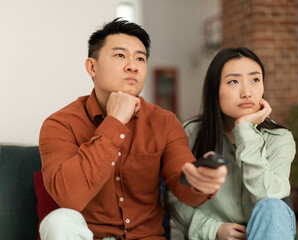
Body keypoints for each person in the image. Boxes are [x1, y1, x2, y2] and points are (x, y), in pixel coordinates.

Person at [38, 18, 227, 240]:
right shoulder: (60, 124)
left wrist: (200, 183)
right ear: (92, 67)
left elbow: (183, 184)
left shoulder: (164, 122)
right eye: (120, 55)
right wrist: (115, 121)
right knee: (58, 221)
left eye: (140, 58)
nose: (132, 65)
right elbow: (69, 197)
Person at [166, 47, 297, 240]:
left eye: (255, 80)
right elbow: (175, 199)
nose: (246, 92)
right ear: (214, 89)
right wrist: (213, 230)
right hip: (213, 237)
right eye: (233, 81)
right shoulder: (190, 134)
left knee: (273, 206)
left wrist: (245, 130)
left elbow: (268, 196)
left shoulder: (280, 138)